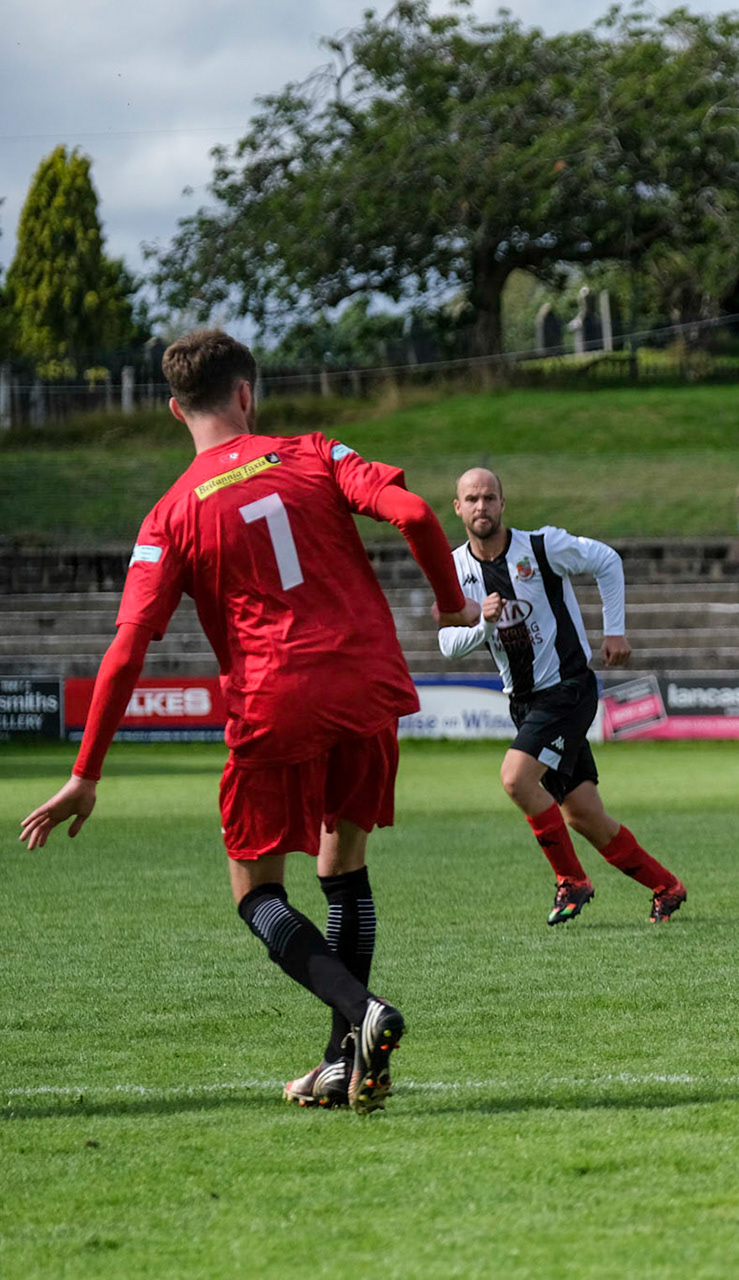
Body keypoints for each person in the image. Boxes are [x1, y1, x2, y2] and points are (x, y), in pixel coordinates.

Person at [18, 330, 478, 1113]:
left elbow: (126, 650)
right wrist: (450, 603)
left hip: (276, 696)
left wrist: (85, 772)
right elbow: (414, 512)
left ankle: (362, 1016)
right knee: (344, 870)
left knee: (256, 892)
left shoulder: (170, 515)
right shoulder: (315, 452)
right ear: (245, 393)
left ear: (175, 410)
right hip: (367, 681)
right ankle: (344, 1061)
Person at [440, 468, 687, 927]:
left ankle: (571, 880)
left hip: (567, 689)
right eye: (471, 499)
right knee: (583, 814)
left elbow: (607, 560)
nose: (481, 506)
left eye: (489, 497)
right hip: (524, 703)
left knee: (516, 779)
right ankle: (666, 887)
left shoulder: (540, 547)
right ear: (457, 508)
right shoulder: (454, 570)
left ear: (503, 503)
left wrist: (615, 631)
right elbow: (447, 644)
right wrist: (484, 625)